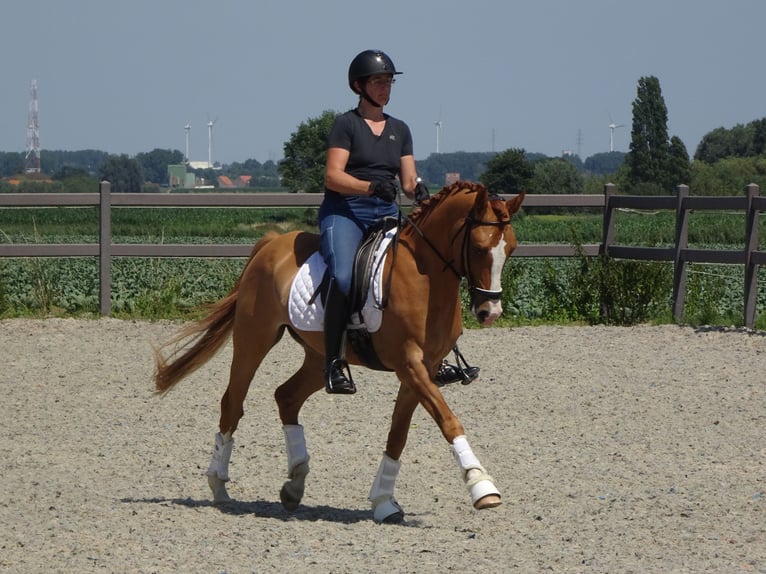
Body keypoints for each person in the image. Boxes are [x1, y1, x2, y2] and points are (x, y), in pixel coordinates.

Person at [319, 49, 478, 395]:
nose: (385, 87)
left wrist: (420, 191)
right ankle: (333, 362)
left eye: (388, 81)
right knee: (343, 276)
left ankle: (439, 354)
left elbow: (407, 182)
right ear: (358, 86)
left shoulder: (400, 129)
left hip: (384, 214)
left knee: (425, 269)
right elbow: (333, 177)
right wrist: (370, 186)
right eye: (378, 81)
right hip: (346, 213)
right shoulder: (346, 125)